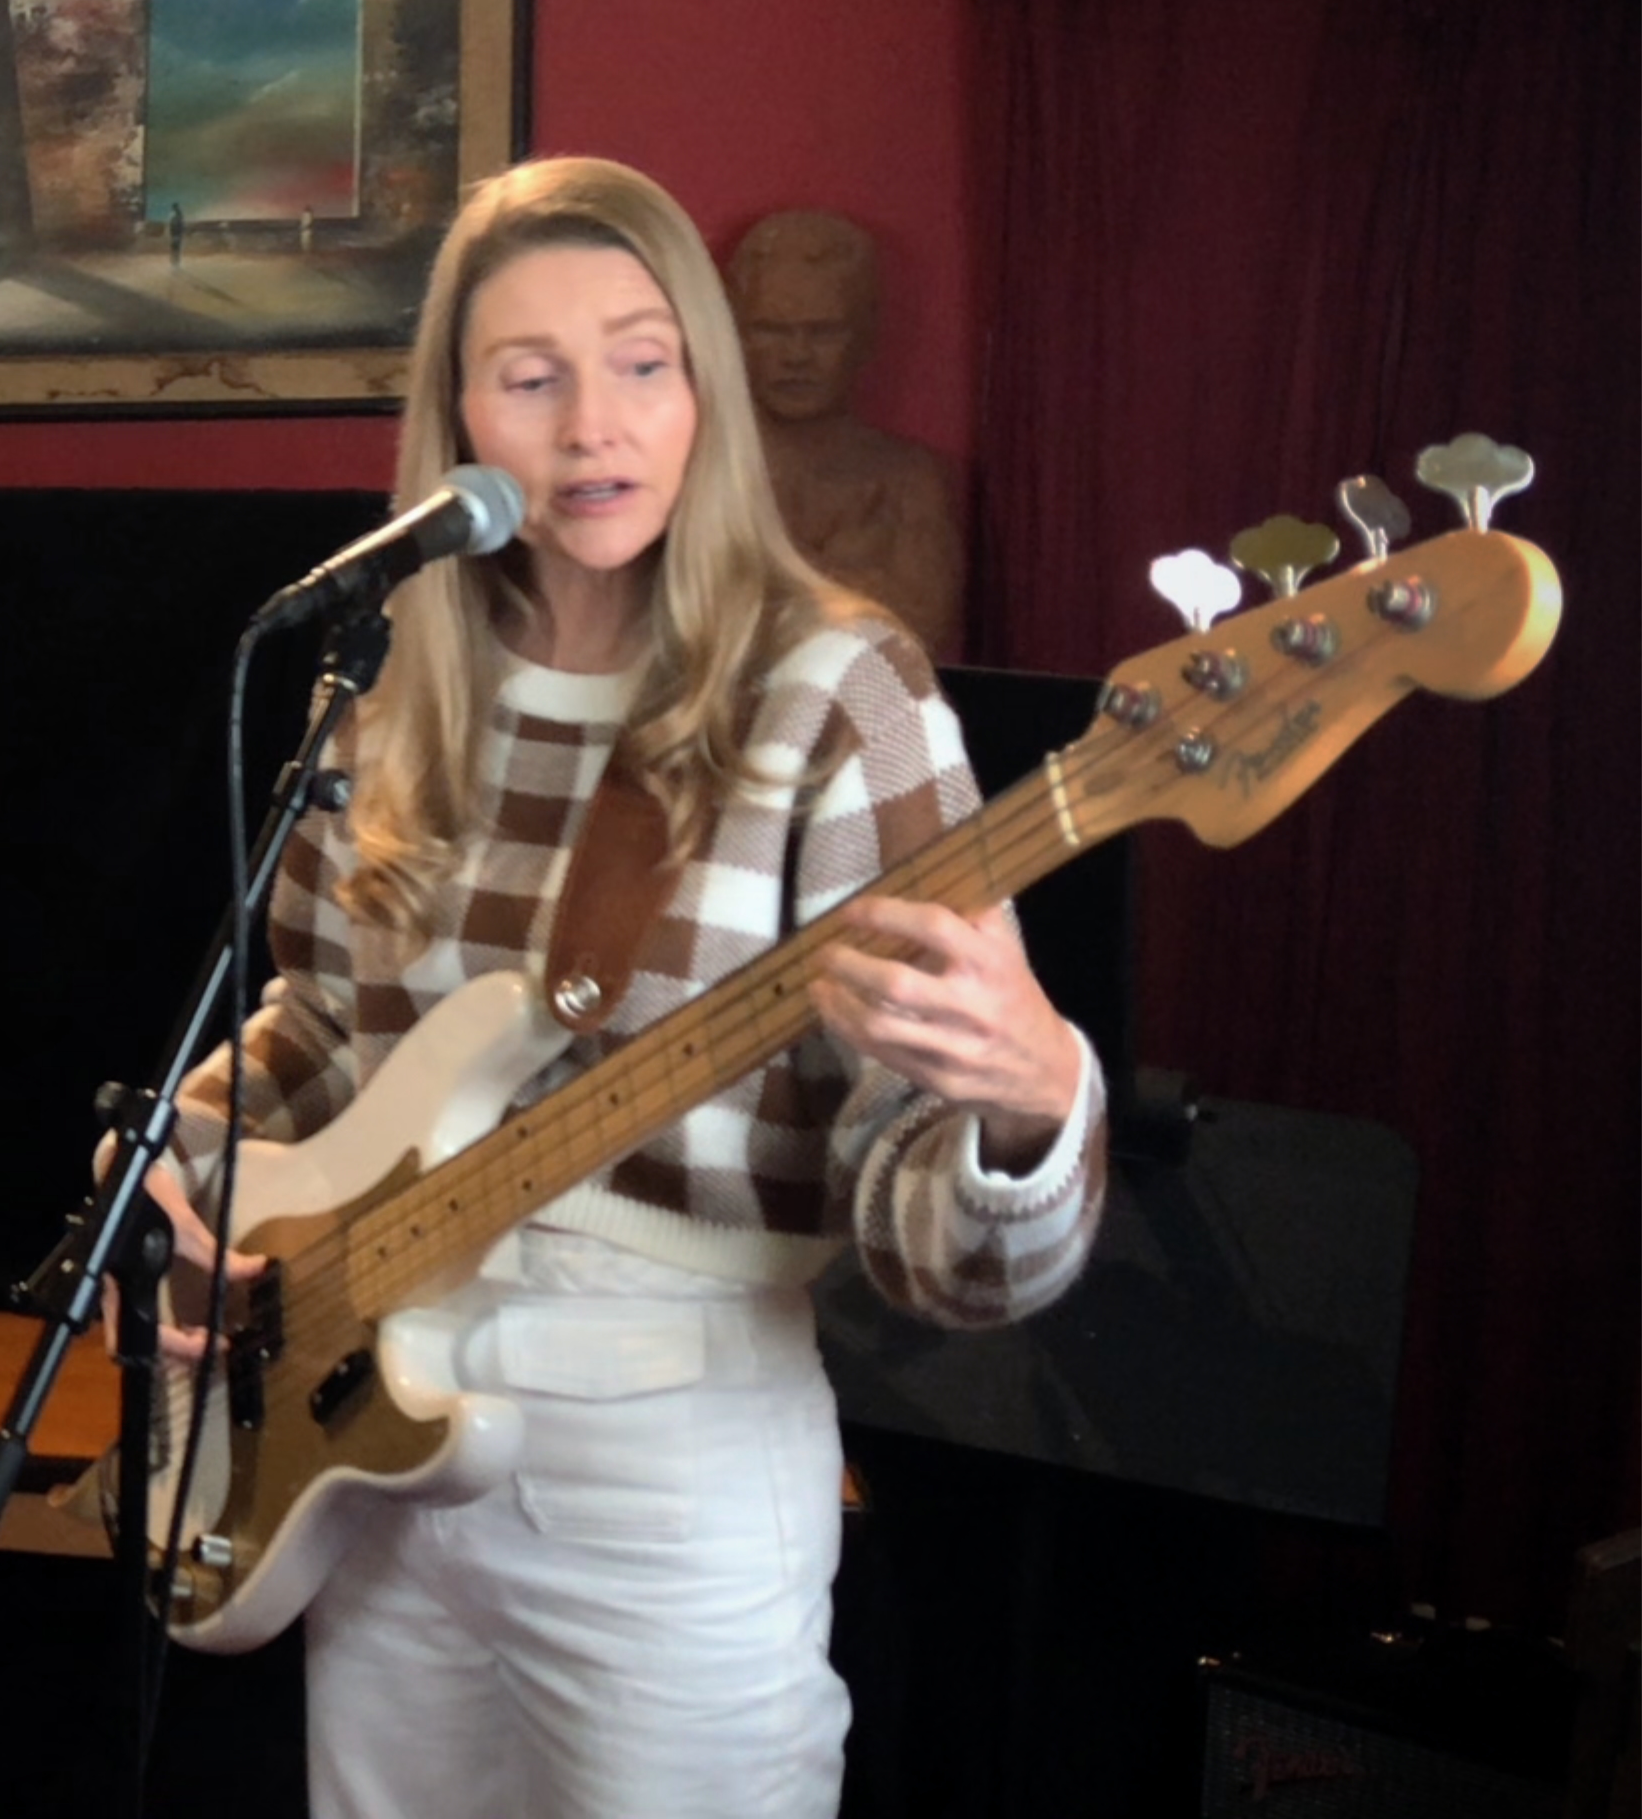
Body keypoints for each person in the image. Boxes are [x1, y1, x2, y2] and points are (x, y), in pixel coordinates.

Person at [152, 158, 1104, 1819]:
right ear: (459, 419)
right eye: (531, 378)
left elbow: (937, 1249)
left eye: (644, 363)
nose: (594, 425)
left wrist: (1029, 1109)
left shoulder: (836, 694)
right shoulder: (390, 687)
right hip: (370, 1439)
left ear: (704, 390)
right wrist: (182, 1176)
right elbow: (321, 1030)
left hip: (672, 1473)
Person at [726, 207, 966, 658]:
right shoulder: (700, 470)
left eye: (823, 332)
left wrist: (774, 586)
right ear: (734, 336)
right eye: (771, 330)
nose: (797, 356)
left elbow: (914, 636)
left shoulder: (910, 482)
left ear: (866, 336)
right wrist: (847, 587)